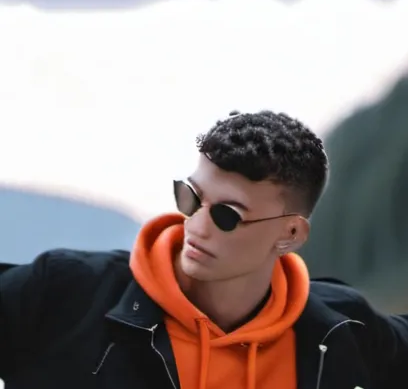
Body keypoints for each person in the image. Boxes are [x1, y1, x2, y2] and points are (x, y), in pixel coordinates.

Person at [0, 110, 407, 389]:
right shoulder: (66, 291)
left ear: (290, 233)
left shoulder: (341, 327)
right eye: (190, 197)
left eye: (228, 216)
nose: (196, 225)